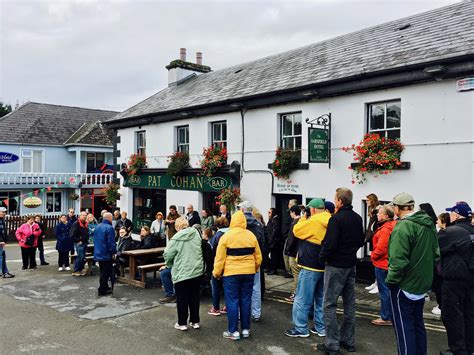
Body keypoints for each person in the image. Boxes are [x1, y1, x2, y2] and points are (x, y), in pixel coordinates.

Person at [386, 192, 440, 355]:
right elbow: (436, 254)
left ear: (397, 208)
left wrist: (391, 281)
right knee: (418, 325)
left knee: (404, 329)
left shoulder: (403, 226)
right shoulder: (428, 224)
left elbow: (398, 260)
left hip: (404, 284)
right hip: (422, 283)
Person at [318, 188, 364, 354]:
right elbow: (361, 240)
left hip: (336, 265)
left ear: (339, 201)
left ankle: (332, 344)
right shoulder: (357, 218)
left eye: (335, 198)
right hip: (351, 264)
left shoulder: (336, 219)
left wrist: (322, 257)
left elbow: (329, 244)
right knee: (349, 304)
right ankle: (348, 341)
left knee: (329, 304)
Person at [285, 198, 331, 338]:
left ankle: (301, 328)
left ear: (312, 209)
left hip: (310, 264)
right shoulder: (329, 219)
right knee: (320, 299)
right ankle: (321, 328)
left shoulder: (314, 221)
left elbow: (297, 231)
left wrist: (304, 217)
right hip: (324, 265)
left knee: (302, 298)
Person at [213, 211, 262, 340]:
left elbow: (219, 258)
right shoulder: (251, 236)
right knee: (246, 300)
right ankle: (246, 329)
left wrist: (217, 273)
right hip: (249, 272)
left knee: (232, 301)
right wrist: (254, 268)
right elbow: (258, 257)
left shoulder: (226, 237)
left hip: (231, 274)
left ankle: (233, 331)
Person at [439, 202, 474, 355]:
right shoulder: (471, 231)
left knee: (453, 316)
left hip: (454, 280)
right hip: (471, 279)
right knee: (469, 315)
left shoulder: (451, 232)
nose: (450, 216)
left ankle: (458, 350)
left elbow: (434, 248)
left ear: (456, 215)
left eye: (452, 213)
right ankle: (469, 348)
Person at [163, 217, 204, 331]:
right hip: (196, 270)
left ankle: (182, 323)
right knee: (194, 297)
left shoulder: (176, 238)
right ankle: (195, 321)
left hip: (182, 271)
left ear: (177, 227)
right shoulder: (196, 233)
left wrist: (170, 264)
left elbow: (168, 254)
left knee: (182, 298)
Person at [370, 205, 397, 326]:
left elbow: (381, 248)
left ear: (386, 216)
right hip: (390, 263)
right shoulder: (394, 226)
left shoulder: (386, 229)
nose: (377, 215)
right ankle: (390, 315)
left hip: (382, 264)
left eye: (380, 213)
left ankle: (385, 317)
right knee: (391, 291)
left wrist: (373, 256)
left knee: (384, 292)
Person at [239, 201, 265, 322]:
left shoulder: (239, 224)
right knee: (255, 288)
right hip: (254, 259)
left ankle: (241, 313)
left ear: (243, 210)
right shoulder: (258, 225)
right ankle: (256, 314)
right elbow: (263, 244)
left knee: (241, 288)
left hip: (240, 260)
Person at [208, 216, 230, 316]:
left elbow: (212, 250)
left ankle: (215, 308)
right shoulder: (231, 233)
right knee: (228, 287)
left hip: (218, 264)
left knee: (216, 287)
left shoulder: (217, 235)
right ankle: (227, 306)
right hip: (230, 264)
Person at [93, 212, 117, 296]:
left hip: (98, 252)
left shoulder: (98, 226)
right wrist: (113, 252)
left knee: (102, 271)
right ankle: (102, 289)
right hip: (106, 254)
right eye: (112, 217)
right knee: (105, 273)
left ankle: (105, 287)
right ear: (109, 218)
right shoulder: (109, 228)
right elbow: (111, 242)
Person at [431, 212, 450, 316]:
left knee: (439, 289)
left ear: (443, 222)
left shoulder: (443, 234)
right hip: (443, 267)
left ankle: (441, 307)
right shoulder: (445, 233)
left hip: (439, 268)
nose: (436, 221)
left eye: (438, 219)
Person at [283, 205, 302, 302]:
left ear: (294, 212)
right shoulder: (303, 221)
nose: (290, 214)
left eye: (290, 212)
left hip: (293, 253)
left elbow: (291, 239)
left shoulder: (295, 223)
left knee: (296, 274)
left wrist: (288, 250)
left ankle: (295, 294)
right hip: (299, 252)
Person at [364, 193, 380, 294]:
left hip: (376, 238)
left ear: (372, 200)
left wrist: (367, 237)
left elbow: (374, 226)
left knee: (377, 261)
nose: (366, 202)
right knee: (374, 260)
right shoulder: (372, 210)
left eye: (368, 200)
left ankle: (378, 283)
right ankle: (376, 282)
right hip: (372, 238)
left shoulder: (377, 210)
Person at [282, 199, 299, 279]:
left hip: (292, 244)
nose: (288, 206)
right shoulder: (289, 216)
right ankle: (288, 271)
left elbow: (292, 236)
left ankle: (295, 290)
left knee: (295, 269)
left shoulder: (296, 221)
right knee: (286, 258)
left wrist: (288, 248)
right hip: (288, 239)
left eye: (290, 204)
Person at [70, 211, 89, 276]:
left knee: (83, 257)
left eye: (85, 215)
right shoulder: (76, 224)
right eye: (83, 215)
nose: (84, 216)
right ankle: (75, 271)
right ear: (80, 216)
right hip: (79, 243)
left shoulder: (85, 223)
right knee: (79, 257)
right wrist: (78, 240)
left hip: (85, 242)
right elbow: (72, 234)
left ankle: (80, 270)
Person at [266, 207, 282, 275]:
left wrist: (271, 238)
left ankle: (273, 269)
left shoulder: (275, 220)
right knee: (270, 255)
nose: (268, 214)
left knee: (274, 256)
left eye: (269, 212)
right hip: (271, 240)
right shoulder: (271, 220)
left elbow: (276, 230)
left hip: (274, 242)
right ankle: (270, 268)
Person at [0, 207, 14, 278]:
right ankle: (3, 272)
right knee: (1, 257)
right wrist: (1, 240)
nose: (4, 213)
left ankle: (5, 272)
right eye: (3, 212)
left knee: (2, 256)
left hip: (2, 241)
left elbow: (4, 231)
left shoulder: (2, 219)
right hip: (0, 242)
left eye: (5, 212)